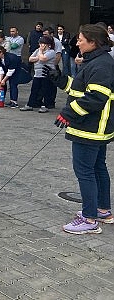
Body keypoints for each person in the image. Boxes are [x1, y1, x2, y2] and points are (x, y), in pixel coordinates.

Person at [44, 24, 114, 234]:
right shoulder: (97, 62)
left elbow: (95, 99)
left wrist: (68, 113)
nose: (77, 42)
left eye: (81, 39)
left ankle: (89, 218)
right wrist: (60, 79)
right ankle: (103, 210)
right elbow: (81, 88)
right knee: (98, 168)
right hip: (95, 128)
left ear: (93, 42)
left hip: (90, 128)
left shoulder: (101, 65)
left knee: (85, 171)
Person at [20, 35, 56, 113]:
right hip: (37, 73)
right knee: (34, 90)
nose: (41, 45)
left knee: (45, 90)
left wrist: (40, 53)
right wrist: (38, 57)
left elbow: (43, 59)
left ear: (47, 44)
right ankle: (30, 104)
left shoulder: (51, 52)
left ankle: (45, 105)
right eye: (40, 43)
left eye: (43, 43)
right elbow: (30, 59)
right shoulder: (37, 50)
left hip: (46, 74)